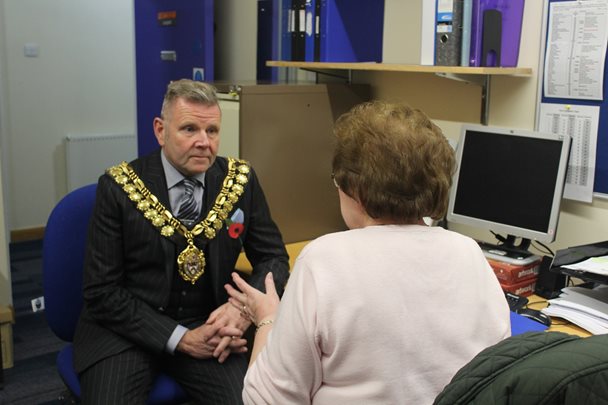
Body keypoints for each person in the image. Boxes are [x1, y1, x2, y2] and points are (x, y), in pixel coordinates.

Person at [224, 100, 511, 404]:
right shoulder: (468, 252)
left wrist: (269, 319)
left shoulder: (325, 260)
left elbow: (265, 400)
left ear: (355, 190)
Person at [73, 79, 290, 404]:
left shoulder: (240, 181)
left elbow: (273, 258)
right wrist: (181, 339)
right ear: (161, 131)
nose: (204, 142)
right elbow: (101, 292)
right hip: (127, 330)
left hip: (210, 326)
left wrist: (242, 309)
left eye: (212, 131)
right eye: (189, 129)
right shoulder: (118, 187)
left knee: (250, 399)